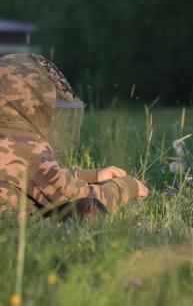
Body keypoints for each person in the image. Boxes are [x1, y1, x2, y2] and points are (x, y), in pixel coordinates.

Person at [0, 53, 148, 219]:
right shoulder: (27, 149)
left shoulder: (8, 140)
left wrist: (93, 176)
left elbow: (45, 178)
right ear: (31, 105)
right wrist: (127, 187)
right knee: (88, 210)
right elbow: (79, 195)